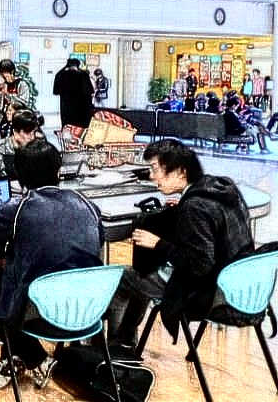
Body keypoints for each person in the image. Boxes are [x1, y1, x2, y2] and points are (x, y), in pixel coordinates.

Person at [0, 139, 103, 389]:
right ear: (58, 170)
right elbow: (100, 239)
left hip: (43, 310)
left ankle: (38, 359)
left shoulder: (19, 207)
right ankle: (19, 359)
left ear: (20, 176)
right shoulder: (87, 203)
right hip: (86, 307)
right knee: (14, 287)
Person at [107, 139, 254, 350]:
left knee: (126, 277)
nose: (151, 176)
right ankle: (124, 341)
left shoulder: (194, 207)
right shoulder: (220, 188)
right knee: (145, 273)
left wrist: (158, 244)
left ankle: (117, 346)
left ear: (180, 172)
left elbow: (200, 265)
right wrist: (184, 203)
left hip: (208, 294)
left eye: (155, 169)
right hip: (239, 287)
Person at [0, 110, 40, 179]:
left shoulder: (36, 146)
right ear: (15, 132)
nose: (32, 137)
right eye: (27, 132)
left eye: (34, 132)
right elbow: (0, 178)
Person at [53, 58, 94, 128]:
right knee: (81, 128)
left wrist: (63, 68)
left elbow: (56, 91)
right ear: (78, 65)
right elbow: (90, 92)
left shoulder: (61, 75)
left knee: (68, 127)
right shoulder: (84, 75)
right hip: (82, 109)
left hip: (67, 109)